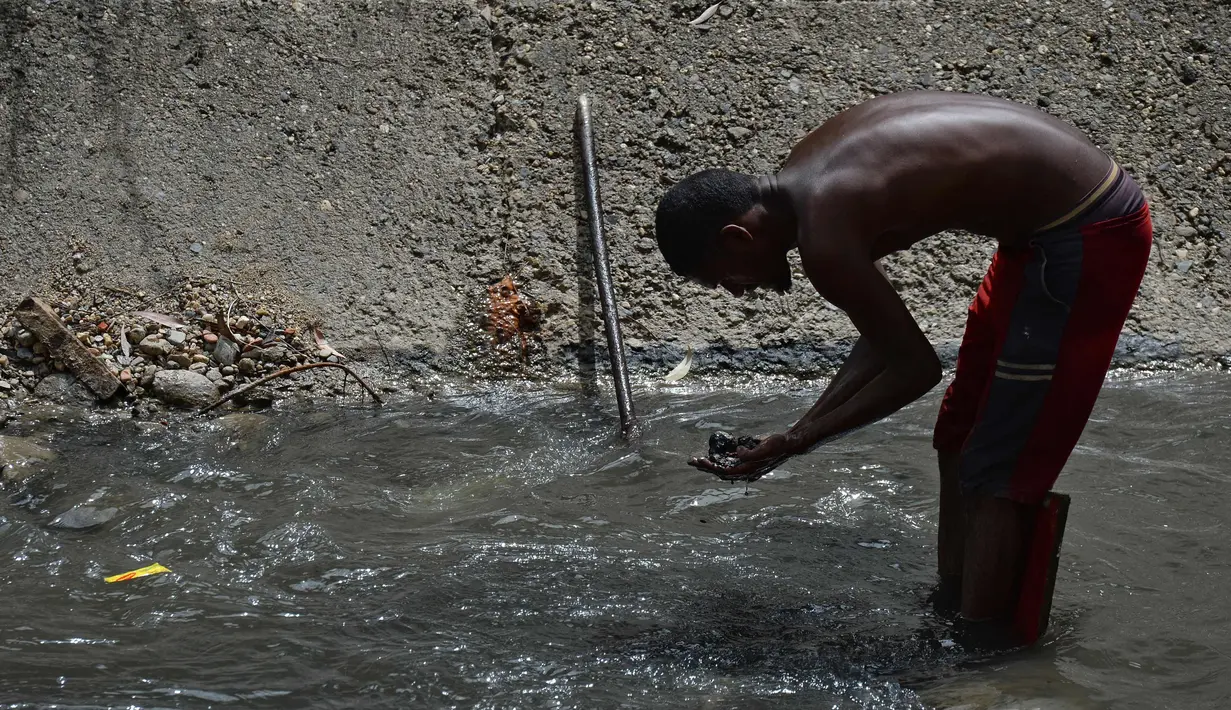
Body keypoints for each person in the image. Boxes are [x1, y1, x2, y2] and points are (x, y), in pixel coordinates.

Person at [653, 90, 1153, 640]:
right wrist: (795, 432)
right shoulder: (804, 185)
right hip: (1039, 235)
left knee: (999, 464)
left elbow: (916, 368)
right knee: (958, 437)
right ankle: (953, 605)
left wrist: (799, 443)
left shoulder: (825, 230)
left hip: (1088, 233)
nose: (735, 292)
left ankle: (979, 657)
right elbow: (882, 337)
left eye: (723, 277)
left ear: (736, 237)